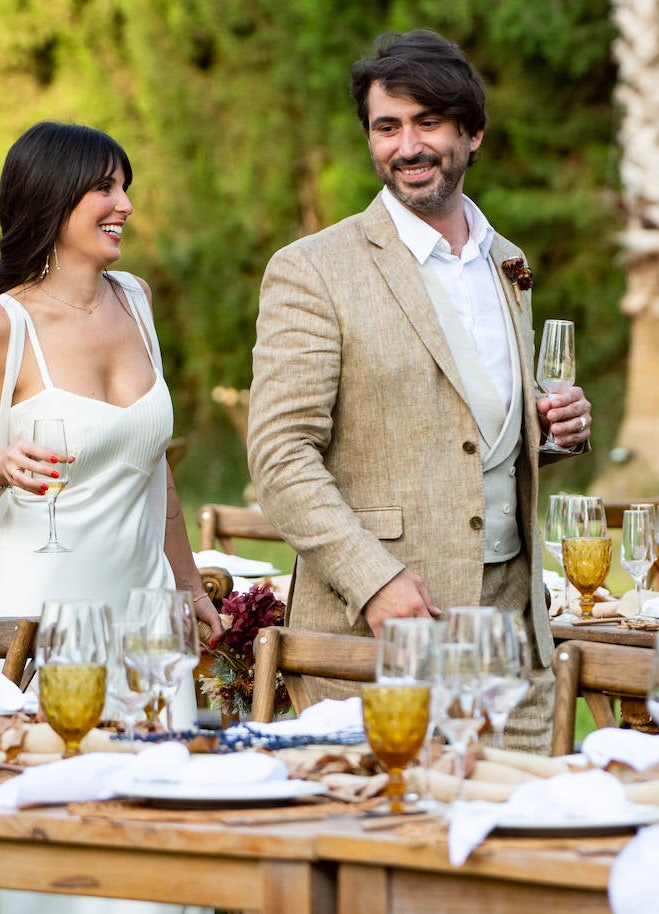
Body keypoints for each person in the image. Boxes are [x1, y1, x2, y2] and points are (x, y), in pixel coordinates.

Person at [0, 121, 218, 914]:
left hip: (141, 619)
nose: (124, 205)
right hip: (38, 622)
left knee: (149, 852)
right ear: (55, 200)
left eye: (123, 187)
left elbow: (154, 470)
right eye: (106, 189)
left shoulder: (135, 302)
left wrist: (190, 584)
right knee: (52, 860)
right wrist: (0, 465)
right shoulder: (2, 326)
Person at [247, 30, 592, 754]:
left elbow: (468, 437)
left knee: (515, 847)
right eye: (387, 126)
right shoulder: (314, 269)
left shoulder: (509, 262)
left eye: (428, 122)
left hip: (512, 639)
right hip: (380, 634)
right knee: (384, 846)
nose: (408, 146)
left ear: (472, 132)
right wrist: (374, 582)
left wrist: (549, 431)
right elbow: (280, 456)